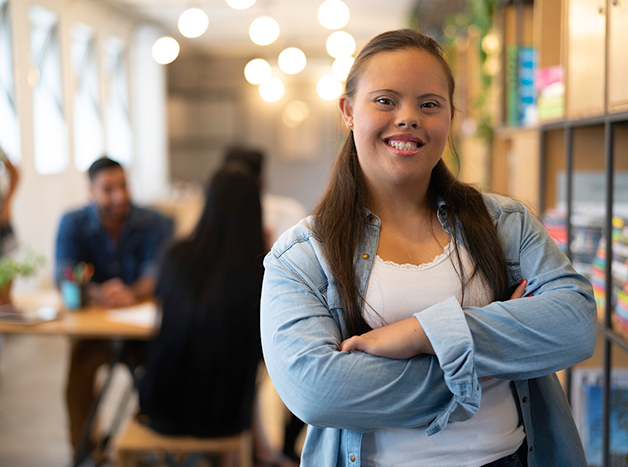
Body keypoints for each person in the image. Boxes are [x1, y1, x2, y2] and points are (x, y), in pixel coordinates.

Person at [260, 29, 597, 467]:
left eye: (429, 104)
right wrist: (492, 360)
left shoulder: (505, 224)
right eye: (385, 100)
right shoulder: (302, 256)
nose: (408, 117)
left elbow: (575, 322)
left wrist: (419, 333)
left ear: (449, 118)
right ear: (347, 111)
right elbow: (318, 391)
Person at [55, 156, 173, 455]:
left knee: (164, 371)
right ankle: (84, 451)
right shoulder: (73, 223)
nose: (119, 196)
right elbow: (62, 273)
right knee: (77, 376)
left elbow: (158, 272)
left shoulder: (155, 222)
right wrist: (98, 293)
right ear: (90, 192)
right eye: (108, 189)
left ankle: (149, 443)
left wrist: (131, 292)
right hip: (95, 333)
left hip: (143, 333)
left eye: (123, 186)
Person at [138, 167, 264, 441]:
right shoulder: (258, 271)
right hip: (223, 418)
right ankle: (269, 450)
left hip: (162, 408)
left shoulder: (174, 256)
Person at [223, 147, 306, 466]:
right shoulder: (223, 220)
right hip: (246, 329)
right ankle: (265, 449)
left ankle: (279, 445)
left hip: (272, 324)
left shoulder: (283, 215)